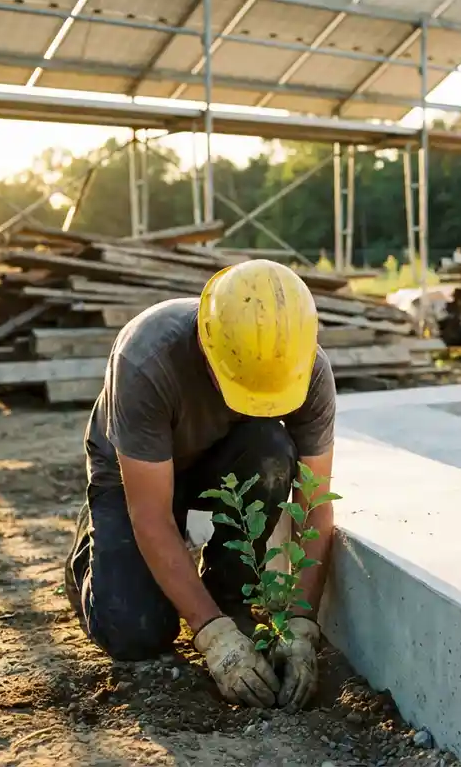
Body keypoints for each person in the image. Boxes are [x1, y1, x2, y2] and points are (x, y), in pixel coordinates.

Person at [64, 259, 337, 713]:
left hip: (224, 461)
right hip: (136, 478)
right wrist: (212, 636)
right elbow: (149, 515)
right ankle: (91, 553)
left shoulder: (306, 368)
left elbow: (314, 507)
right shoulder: (148, 358)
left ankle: (226, 589)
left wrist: (301, 626)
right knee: (136, 633)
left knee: (271, 450)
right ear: (207, 344)